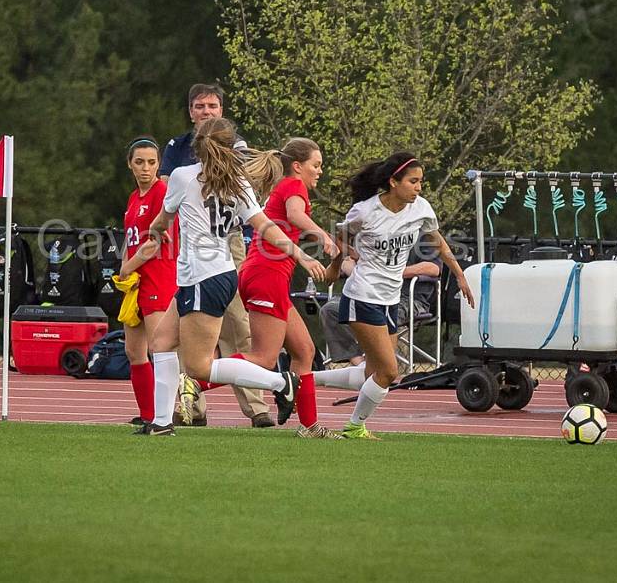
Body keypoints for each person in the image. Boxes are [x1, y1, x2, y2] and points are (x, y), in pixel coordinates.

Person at [138, 118, 326, 436]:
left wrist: (154, 232)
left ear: (197, 145)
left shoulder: (184, 177)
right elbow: (265, 224)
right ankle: (160, 423)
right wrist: (300, 253)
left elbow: (164, 217)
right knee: (161, 343)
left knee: (198, 366)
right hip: (217, 273)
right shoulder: (236, 180)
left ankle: (280, 382)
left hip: (202, 276)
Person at [182, 137, 342, 438]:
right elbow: (295, 216)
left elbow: (286, 222)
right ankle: (196, 380)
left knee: (305, 351)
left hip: (268, 277)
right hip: (266, 276)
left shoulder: (283, 187)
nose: (319, 171)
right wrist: (325, 237)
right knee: (265, 358)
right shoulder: (295, 186)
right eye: (316, 165)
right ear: (297, 166)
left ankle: (310, 427)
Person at [327, 152, 473, 439]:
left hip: (391, 300)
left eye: (421, 182)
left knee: (372, 373)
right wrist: (333, 267)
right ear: (394, 182)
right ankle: (355, 427)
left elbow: (439, 241)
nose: (419, 187)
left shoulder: (421, 208)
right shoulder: (365, 211)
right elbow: (341, 239)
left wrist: (459, 274)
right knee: (389, 372)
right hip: (363, 296)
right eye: (413, 181)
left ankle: (301, 381)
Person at [159, 83, 272, 428]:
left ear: (221, 109)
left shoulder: (233, 147)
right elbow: (169, 194)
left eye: (212, 105)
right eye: (199, 105)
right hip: (189, 242)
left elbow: (247, 199)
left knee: (238, 326)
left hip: (225, 243)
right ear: (190, 111)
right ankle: (187, 407)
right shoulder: (178, 148)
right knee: (175, 337)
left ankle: (258, 402)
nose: (206, 111)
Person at [316, 236, 440, 387]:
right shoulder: (376, 232)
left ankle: (378, 369)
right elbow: (352, 262)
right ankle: (359, 364)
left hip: (407, 298)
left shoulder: (422, 234)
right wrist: (351, 267)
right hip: (370, 294)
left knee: (380, 316)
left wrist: (392, 272)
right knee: (330, 309)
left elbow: (433, 268)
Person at [115, 137, 179, 427]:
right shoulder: (133, 198)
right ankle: (148, 414)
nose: (146, 168)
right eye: (139, 162)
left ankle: (166, 415)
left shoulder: (162, 192)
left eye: (152, 162)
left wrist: (128, 266)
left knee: (161, 347)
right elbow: (132, 241)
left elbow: (155, 242)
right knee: (134, 350)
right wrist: (124, 270)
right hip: (137, 281)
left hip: (158, 277)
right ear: (130, 164)